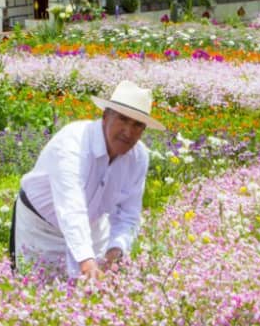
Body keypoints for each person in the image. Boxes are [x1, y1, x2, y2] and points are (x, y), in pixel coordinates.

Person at [9, 80, 165, 279]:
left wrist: (115, 251)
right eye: (123, 119)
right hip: (41, 230)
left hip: (92, 229)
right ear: (105, 116)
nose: (128, 132)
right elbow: (71, 206)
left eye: (137, 125)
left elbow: (128, 214)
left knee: (92, 290)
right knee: (33, 290)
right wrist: (86, 261)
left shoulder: (138, 157)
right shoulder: (73, 143)